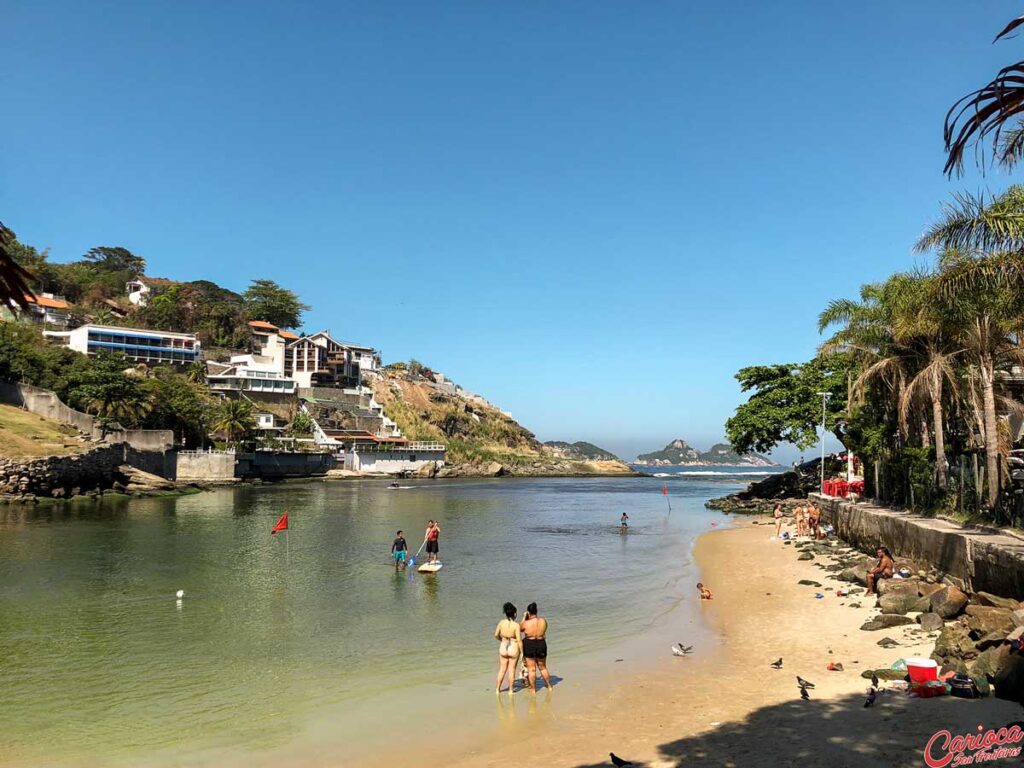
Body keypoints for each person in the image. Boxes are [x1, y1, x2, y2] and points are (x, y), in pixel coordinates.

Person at [520, 602, 552, 692]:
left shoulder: (526, 623)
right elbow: (544, 629)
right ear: (536, 611)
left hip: (529, 644)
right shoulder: (543, 621)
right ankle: (549, 686)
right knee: (543, 667)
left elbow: (519, 629)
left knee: (532, 669)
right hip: (541, 643)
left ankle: (533, 690)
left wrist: (524, 618)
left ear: (528, 612)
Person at [494, 602, 521, 693]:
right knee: (511, 670)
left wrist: (501, 640)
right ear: (515, 614)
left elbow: (496, 635)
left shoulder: (501, 623)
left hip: (503, 646)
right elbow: (519, 640)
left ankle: (498, 689)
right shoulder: (516, 625)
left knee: (502, 669)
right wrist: (522, 652)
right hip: (513, 647)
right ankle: (510, 690)